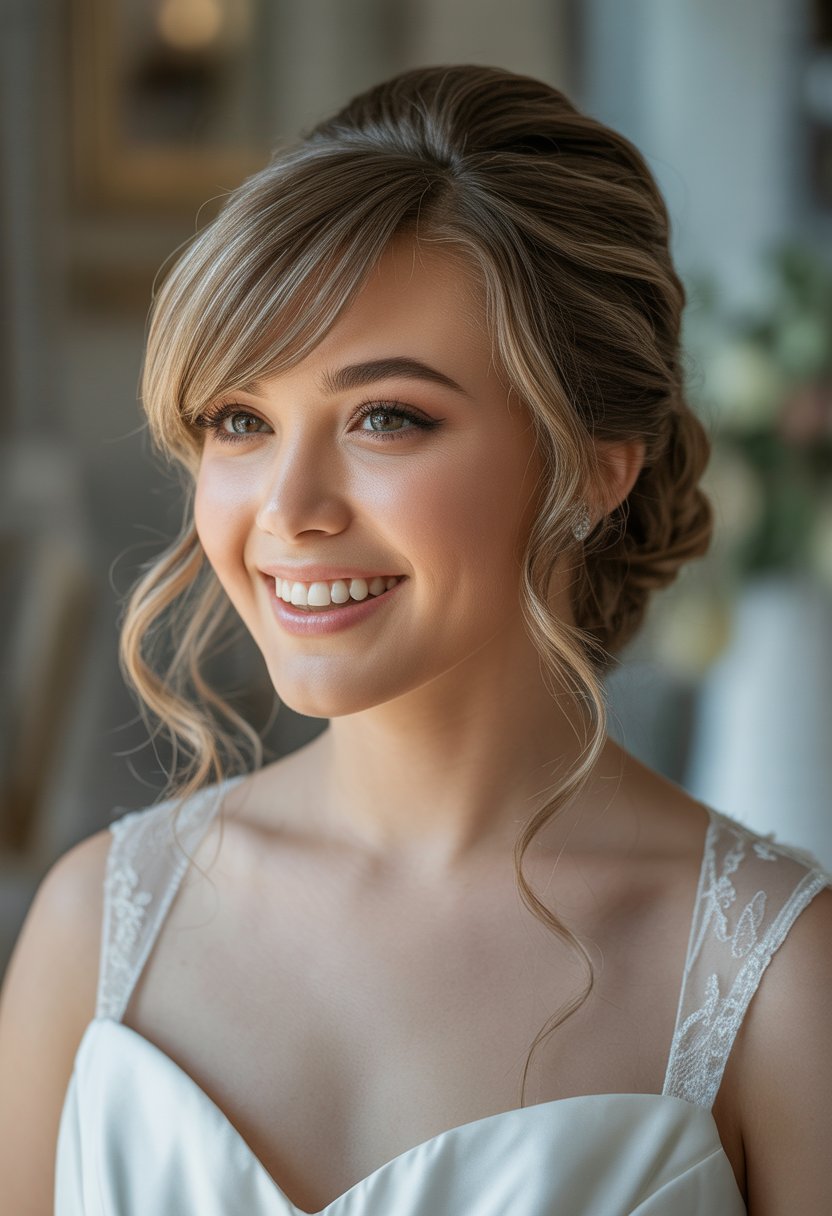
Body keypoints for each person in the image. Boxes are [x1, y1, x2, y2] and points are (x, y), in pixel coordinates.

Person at [1, 63, 829, 1216]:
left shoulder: (777, 983)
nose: (288, 507)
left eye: (386, 417)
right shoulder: (94, 930)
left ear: (595, 464)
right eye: (241, 419)